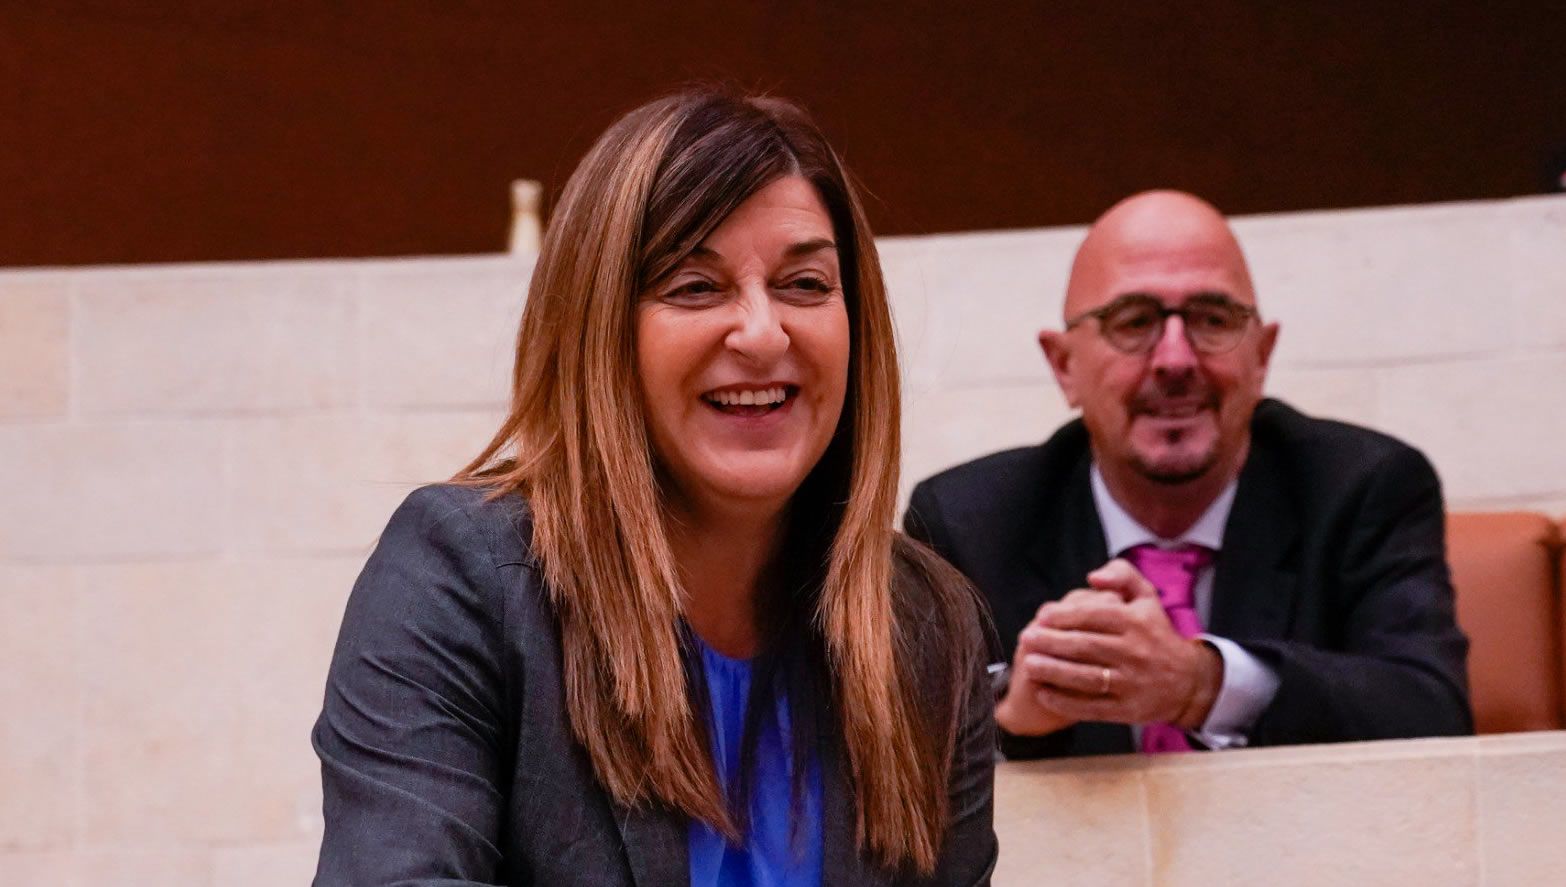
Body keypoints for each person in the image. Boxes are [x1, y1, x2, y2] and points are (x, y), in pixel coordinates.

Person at [311, 90, 997, 885]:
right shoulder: (462, 574)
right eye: (694, 286)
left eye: (805, 284)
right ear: (603, 330)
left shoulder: (927, 628)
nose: (763, 333)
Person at [904, 190, 1471, 759]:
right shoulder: (967, 522)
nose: (1175, 360)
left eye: (1212, 320)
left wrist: (1201, 685)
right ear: (1065, 366)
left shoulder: (1365, 487)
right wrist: (1010, 719)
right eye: (1133, 322)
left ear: (1262, 356)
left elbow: (1432, 713)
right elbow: (902, 767)